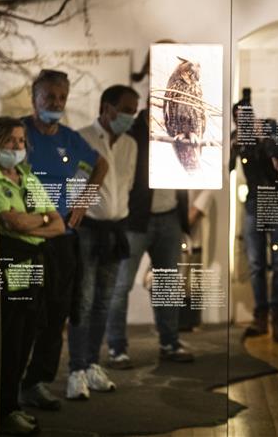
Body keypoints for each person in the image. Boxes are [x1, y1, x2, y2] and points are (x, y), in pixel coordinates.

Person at [0, 69, 108, 410]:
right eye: (48, 97)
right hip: (16, 244)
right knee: (18, 318)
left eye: (61, 98)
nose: (55, 103)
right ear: (34, 99)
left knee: (54, 315)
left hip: (58, 236)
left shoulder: (70, 140)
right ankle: (1, 390)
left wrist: (81, 205)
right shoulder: (13, 132)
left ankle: (36, 382)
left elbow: (100, 166)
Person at [0, 116, 65, 435]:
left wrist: (30, 221)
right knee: (7, 340)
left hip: (32, 262)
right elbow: (14, 224)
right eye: (11, 140)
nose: (17, 147)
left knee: (25, 337)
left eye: (21, 141)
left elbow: (59, 225)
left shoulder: (26, 176)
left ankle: (11, 406)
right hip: (4, 262)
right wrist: (36, 221)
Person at [104, 108, 194, 365]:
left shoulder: (178, 128)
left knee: (167, 285)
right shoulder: (132, 134)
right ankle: (116, 348)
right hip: (135, 220)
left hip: (170, 216)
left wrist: (183, 219)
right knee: (121, 285)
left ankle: (169, 343)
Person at [66, 85, 139, 398]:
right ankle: (76, 370)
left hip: (115, 229)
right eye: (125, 110)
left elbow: (128, 186)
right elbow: (71, 182)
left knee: (104, 300)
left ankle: (93, 363)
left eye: (134, 111)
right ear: (106, 108)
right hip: (86, 230)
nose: (130, 117)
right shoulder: (81, 138)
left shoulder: (131, 145)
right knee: (82, 300)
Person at [229, 101, 278, 343]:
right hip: (254, 203)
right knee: (256, 264)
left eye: (246, 117)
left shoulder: (270, 127)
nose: (243, 122)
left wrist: (262, 136)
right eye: (238, 119)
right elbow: (225, 170)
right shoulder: (237, 137)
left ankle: (277, 318)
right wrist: (232, 148)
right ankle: (260, 316)